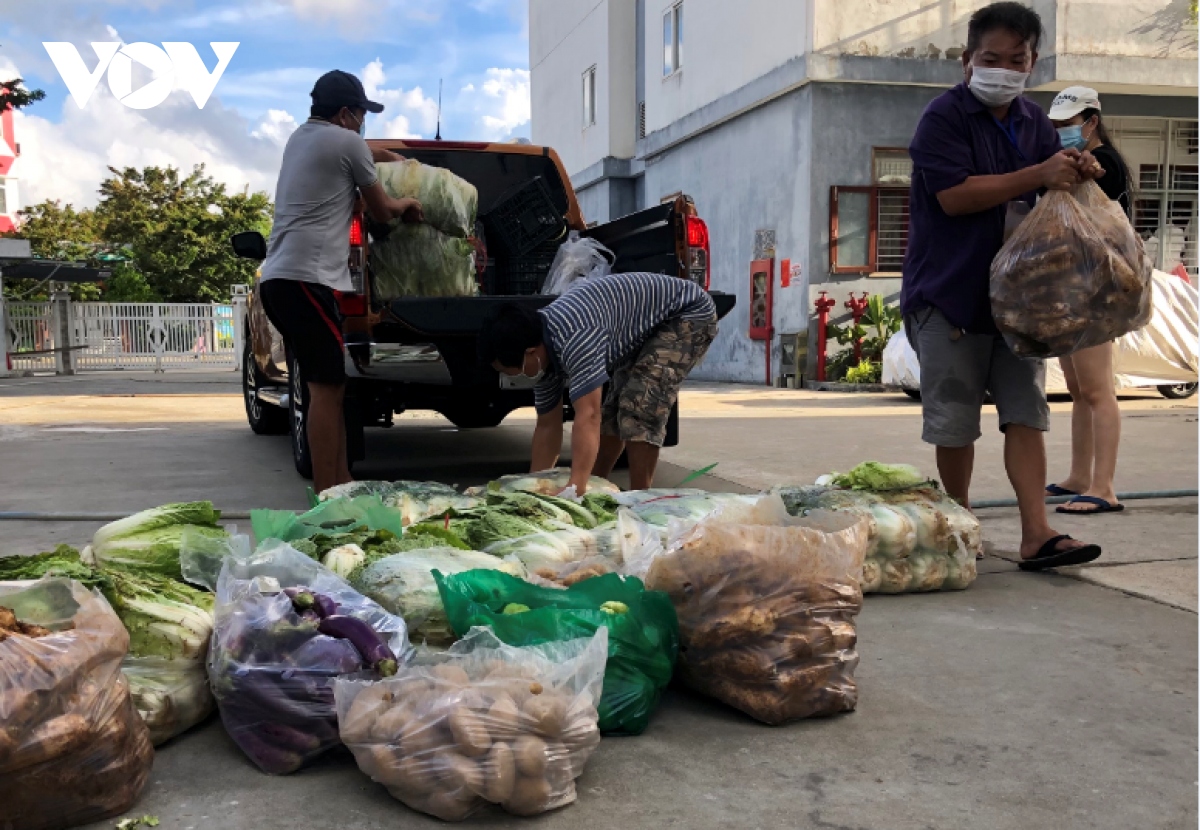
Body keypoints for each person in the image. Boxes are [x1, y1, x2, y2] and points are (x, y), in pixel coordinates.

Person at [900, 2, 1105, 571]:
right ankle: (959, 528)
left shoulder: (1034, 121)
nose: (1005, 70)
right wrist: (1040, 173)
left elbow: (1049, 186)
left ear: (1032, 64)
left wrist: (1075, 170)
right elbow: (954, 196)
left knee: (1025, 412)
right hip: (949, 295)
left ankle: (1036, 533)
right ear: (968, 60)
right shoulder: (943, 117)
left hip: (1019, 300)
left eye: (1018, 60)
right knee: (956, 421)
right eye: (992, 58)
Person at [259, 70, 423, 493]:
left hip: (282, 281)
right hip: (304, 281)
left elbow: (364, 151)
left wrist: (398, 161)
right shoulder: (345, 142)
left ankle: (342, 480)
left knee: (329, 387)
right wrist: (408, 199)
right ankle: (327, 492)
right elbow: (383, 210)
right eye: (361, 113)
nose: (362, 122)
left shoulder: (302, 138)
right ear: (347, 113)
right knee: (327, 390)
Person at [478, 272, 718, 494]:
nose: (516, 377)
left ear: (531, 352)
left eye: (514, 370)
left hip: (685, 313)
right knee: (613, 411)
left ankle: (639, 500)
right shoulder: (544, 358)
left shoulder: (574, 336)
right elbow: (547, 426)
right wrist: (534, 488)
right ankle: (597, 483)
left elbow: (588, 416)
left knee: (639, 406)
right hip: (646, 328)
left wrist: (575, 486)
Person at [1045, 87, 1131, 514]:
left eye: (1069, 123)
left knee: (1098, 390)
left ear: (1091, 121)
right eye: (1057, 125)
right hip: (1072, 285)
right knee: (1078, 389)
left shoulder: (1107, 164)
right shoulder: (1073, 161)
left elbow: (1098, 191)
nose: (1063, 131)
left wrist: (1087, 169)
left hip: (1098, 287)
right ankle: (1079, 476)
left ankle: (1104, 487)